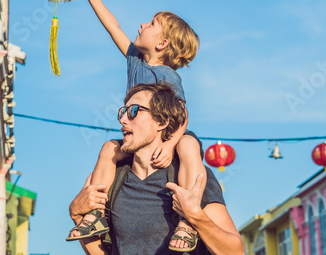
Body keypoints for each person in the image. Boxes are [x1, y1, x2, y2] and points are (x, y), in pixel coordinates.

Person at [66, 0, 205, 251]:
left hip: (164, 136)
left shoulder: (167, 76)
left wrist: (170, 143)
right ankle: (96, 213)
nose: (142, 25)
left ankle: (187, 222)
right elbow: (113, 28)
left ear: (163, 43)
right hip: (138, 138)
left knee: (190, 144)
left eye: (151, 24)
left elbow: (183, 113)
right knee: (109, 148)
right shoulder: (135, 59)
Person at [69, 83, 245, 255]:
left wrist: (196, 217)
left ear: (161, 122)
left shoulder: (189, 176)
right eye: (123, 112)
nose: (122, 120)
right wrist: (77, 216)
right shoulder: (114, 179)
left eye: (133, 111)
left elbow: (236, 251)